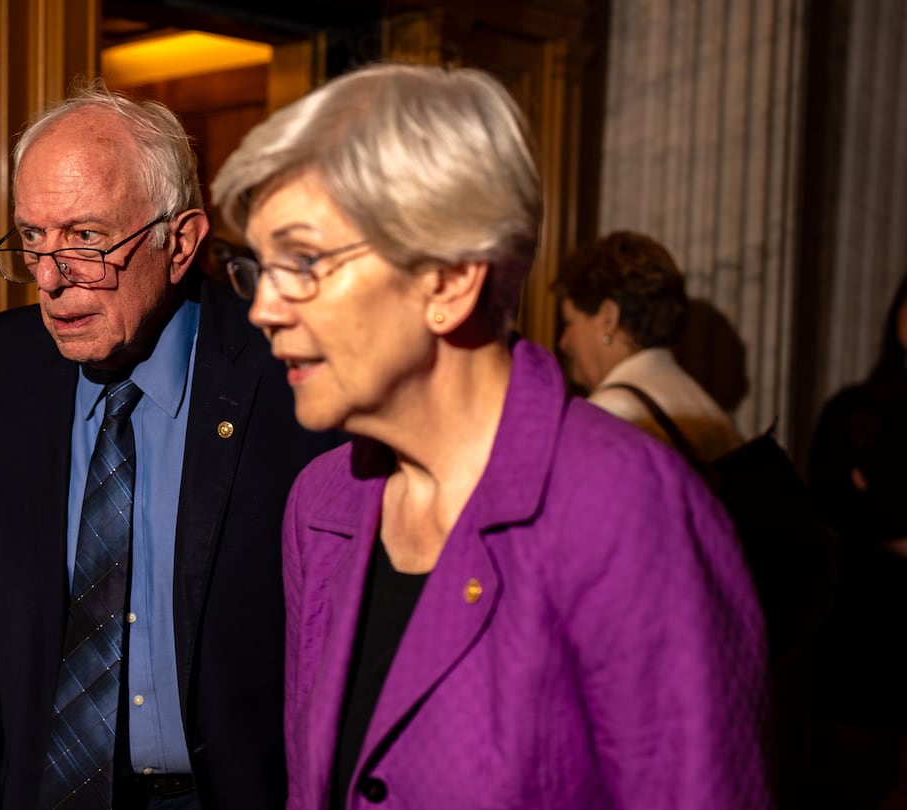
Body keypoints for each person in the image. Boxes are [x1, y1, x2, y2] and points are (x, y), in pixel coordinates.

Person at [210, 63, 769, 809]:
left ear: (447, 280)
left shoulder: (625, 505)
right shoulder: (323, 503)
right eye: (260, 268)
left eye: (304, 263)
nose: (263, 309)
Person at [0, 81, 341, 810]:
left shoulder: (294, 378)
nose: (49, 278)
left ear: (180, 242)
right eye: (32, 240)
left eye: (85, 239)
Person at [807, 272, 907, 808]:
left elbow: (869, 505)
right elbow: (830, 502)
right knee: (852, 782)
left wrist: (875, 495)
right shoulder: (855, 409)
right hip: (866, 628)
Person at [554, 231, 742, 463]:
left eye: (570, 322)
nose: (564, 342)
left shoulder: (612, 412)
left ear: (608, 319)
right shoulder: (709, 409)